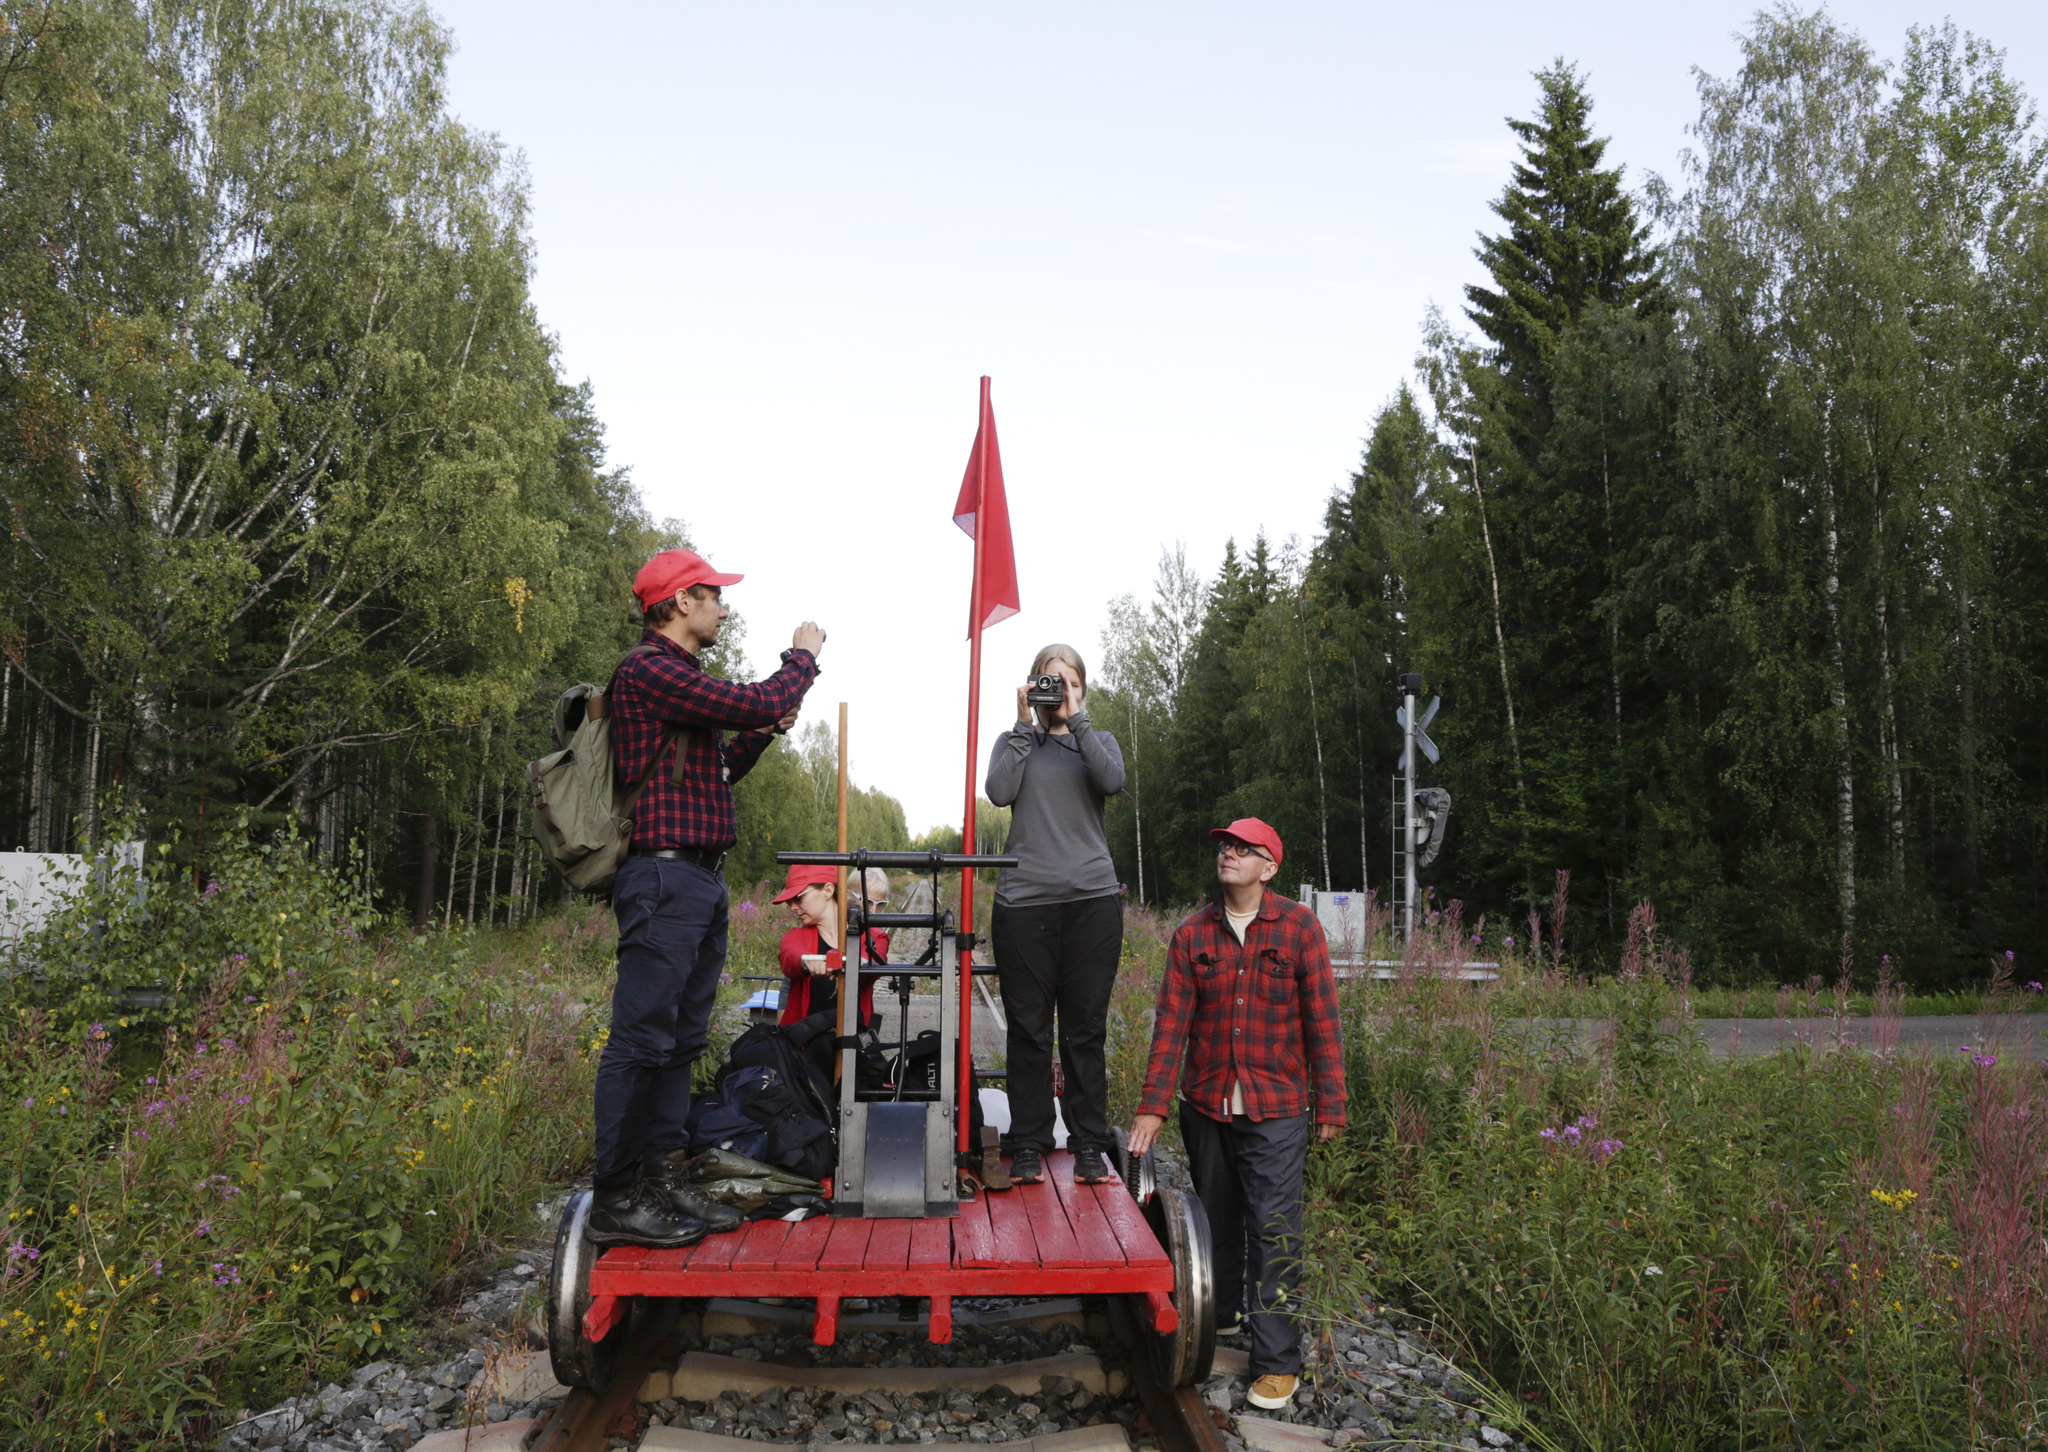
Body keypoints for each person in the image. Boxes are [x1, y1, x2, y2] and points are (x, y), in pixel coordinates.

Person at [587, 547, 826, 1248]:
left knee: (682, 1039)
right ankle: (615, 1197)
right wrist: (801, 660)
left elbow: (720, 765)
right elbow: (756, 700)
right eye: (714, 595)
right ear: (681, 602)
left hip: (696, 879)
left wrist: (764, 734)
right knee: (641, 1040)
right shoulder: (649, 669)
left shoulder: (681, 680)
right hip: (664, 877)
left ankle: (663, 1177)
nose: (723, 607)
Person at [1127, 818, 1347, 1411]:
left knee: (1274, 1229)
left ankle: (1276, 1362)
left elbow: (1322, 1020)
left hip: (1276, 1109)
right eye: (1226, 846)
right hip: (1207, 1103)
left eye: (1243, 849)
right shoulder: (1191, 934)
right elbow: (1171, 1027)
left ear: (1268, 867)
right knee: (1216, 1219)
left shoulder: (1300, 929)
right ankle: (1220, 1312)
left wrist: (1331, 1101)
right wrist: (1153, 1106)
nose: (1229, 854)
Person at [984, 644, 1125, 1186]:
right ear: (1031, 686)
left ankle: (1088, 1143)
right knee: (1028, 1031)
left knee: (1085, 1032)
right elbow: (999, 792)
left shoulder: (1099, 741)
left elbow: (1111, 782)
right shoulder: (1015, 741)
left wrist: (1077, 720)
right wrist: (1025, 726)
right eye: (1049, 680)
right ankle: (1028, 1141)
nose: (1059, 690)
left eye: (1069, 682)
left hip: (1092, 904)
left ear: (1082, 690)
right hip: (1024, 906)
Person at [774, 863, 890, 1075]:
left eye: (798, 898)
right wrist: (806, 961)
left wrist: (858, 962)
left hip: (853, 1050)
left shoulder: (874, 937)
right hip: (802, 1055)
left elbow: (873, 963)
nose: (792, 907)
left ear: (828, 890)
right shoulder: (796, 937)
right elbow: (790, 957)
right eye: (789, 902)